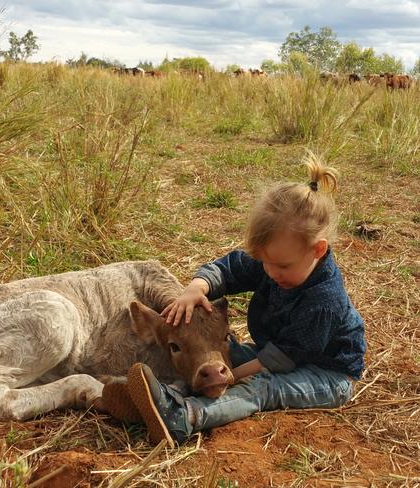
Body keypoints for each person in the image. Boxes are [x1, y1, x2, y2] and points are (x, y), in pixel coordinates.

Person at [102, 154, 366, 446]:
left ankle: (183, 416)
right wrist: (196, 288)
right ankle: (161, 396)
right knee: (222, 352)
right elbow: (228, 270)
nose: (271, 272)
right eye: (265, 263)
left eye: (281, 267)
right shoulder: (278, 260)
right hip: (275, 351)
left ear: (318, 250)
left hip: (324, 375)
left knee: (262, 387)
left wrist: (231, 376)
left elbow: (283, 359)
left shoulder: (324, 300)